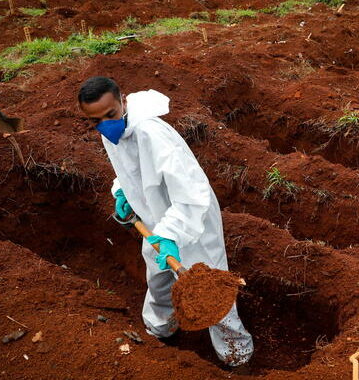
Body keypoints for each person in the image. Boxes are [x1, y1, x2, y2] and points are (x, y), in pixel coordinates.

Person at [77, 76, 253, 366]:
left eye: (110, 115)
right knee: (159, 279)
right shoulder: (111, 130)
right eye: (96, 120)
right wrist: (122, 191)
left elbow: (191, 193)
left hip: (191, 224)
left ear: (123, 101)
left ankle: (238, 356)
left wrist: (171, 234)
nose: (105, 125)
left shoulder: (152, 134)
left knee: (212, 295)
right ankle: (159, 332)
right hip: (155, 221)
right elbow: (130, 169)